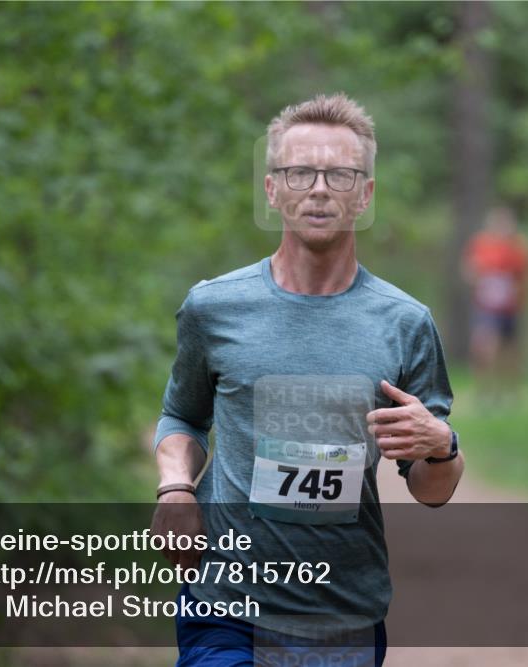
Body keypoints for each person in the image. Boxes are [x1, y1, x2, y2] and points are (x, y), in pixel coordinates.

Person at [150, 93, 464, 666]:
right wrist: (175, 487)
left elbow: (431, 488)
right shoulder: (213, 308)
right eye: (300, 172)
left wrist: (442, 446)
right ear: (273, 189)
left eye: (340, 174)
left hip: (344, 612)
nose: (319, 189)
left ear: (364, 194)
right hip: (225, 605)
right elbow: (183, 416)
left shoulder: (405, 324)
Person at [462, 206, 528, 399]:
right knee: (484, 346)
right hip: (486, 306)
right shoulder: (481, 244)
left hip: (510, 307)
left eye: (506, 223)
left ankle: (510, 391)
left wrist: (515, 289)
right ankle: (484, 390)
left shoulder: (518, 247)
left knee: (509, 351)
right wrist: (478, 278)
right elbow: (469, 270)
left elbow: (525, 276)